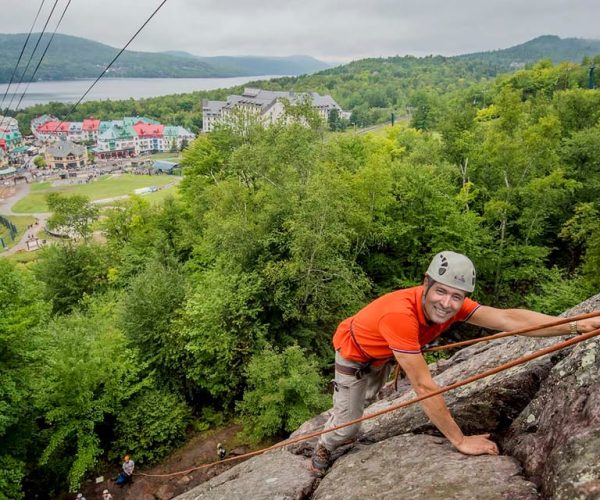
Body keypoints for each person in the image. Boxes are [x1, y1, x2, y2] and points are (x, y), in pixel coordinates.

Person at [310, 250, 600, 476]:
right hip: (355, 356)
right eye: (440, 291)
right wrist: (460, 440)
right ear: (426, 282)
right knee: (349, 427)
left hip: (381, 353)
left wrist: (574, 326)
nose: (447, 303)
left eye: (456, 296)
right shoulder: (399, 315)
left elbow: (507, 319)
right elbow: (423, 386)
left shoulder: (452, 306)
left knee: (365, 400)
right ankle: (323, 447)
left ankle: (342, 412)